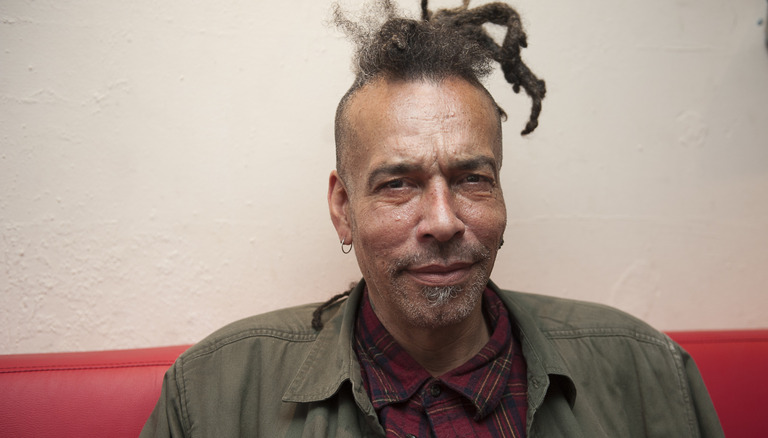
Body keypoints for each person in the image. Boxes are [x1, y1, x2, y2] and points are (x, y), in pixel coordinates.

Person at [141, 1, 724, 437]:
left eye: (473, 179)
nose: (443, 221)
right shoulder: (212, 396)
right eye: (399, 184)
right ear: (343, 210)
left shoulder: (651, 376)